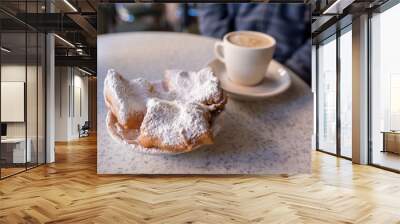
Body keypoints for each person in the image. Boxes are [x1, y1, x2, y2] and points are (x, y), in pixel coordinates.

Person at [198, 3, 311, 85]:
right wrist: (228, 50)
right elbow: (211, 10)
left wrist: (292, 72)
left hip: (292, 69)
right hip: (231, 56)